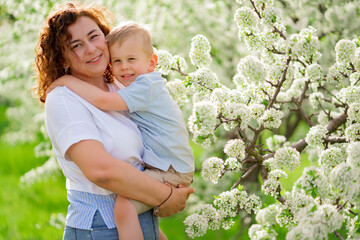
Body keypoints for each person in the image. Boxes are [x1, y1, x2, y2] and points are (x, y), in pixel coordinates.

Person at [33, 2, 194, 240]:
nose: (90, 49)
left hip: (139, 220)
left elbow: (137, 166)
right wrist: (165, 196)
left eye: (94, 36)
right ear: (61, 60)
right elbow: (102, 171)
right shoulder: (64, 98)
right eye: (76, 45)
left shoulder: (122, 87)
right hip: (99, 228)